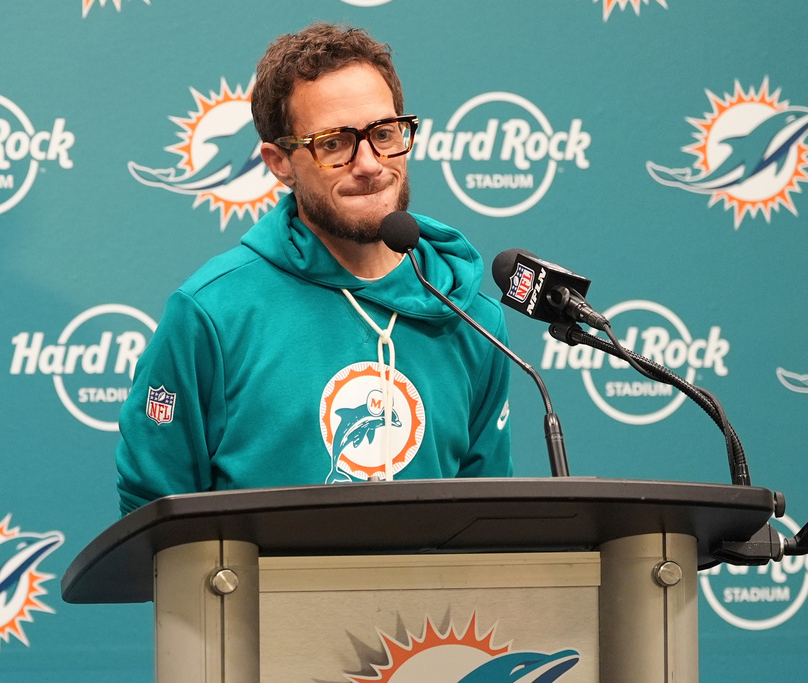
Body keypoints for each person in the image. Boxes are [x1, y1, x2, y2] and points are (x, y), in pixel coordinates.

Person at [115, 23, 512, 515]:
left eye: (383, 134)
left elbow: (487, 521)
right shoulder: (212, 315)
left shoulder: (472, 317)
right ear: (279, 163)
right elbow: (156, 512)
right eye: (334, 143)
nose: (369, 164)